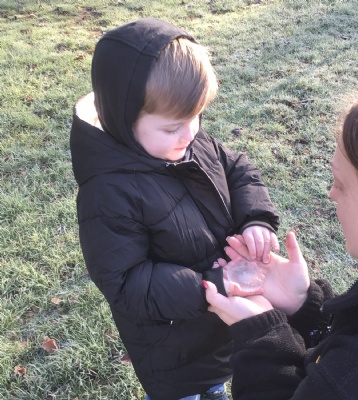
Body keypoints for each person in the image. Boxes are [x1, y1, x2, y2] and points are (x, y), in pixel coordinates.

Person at [69, 17, 280, 400]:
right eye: (172, 127)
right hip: (172, 350)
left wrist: (256, 219)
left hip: (218, 327)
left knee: (216, 384)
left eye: (197, 116)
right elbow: (126, 282)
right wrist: (210, 285)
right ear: (123, 118)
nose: (191, 132)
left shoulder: (187, 140)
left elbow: (237, 169)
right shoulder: (108, 192)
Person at [204, 83, 358, 399]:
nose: (332, 194)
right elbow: (356, 337)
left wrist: (263, 338)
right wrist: (305, 305)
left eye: (340, 184)